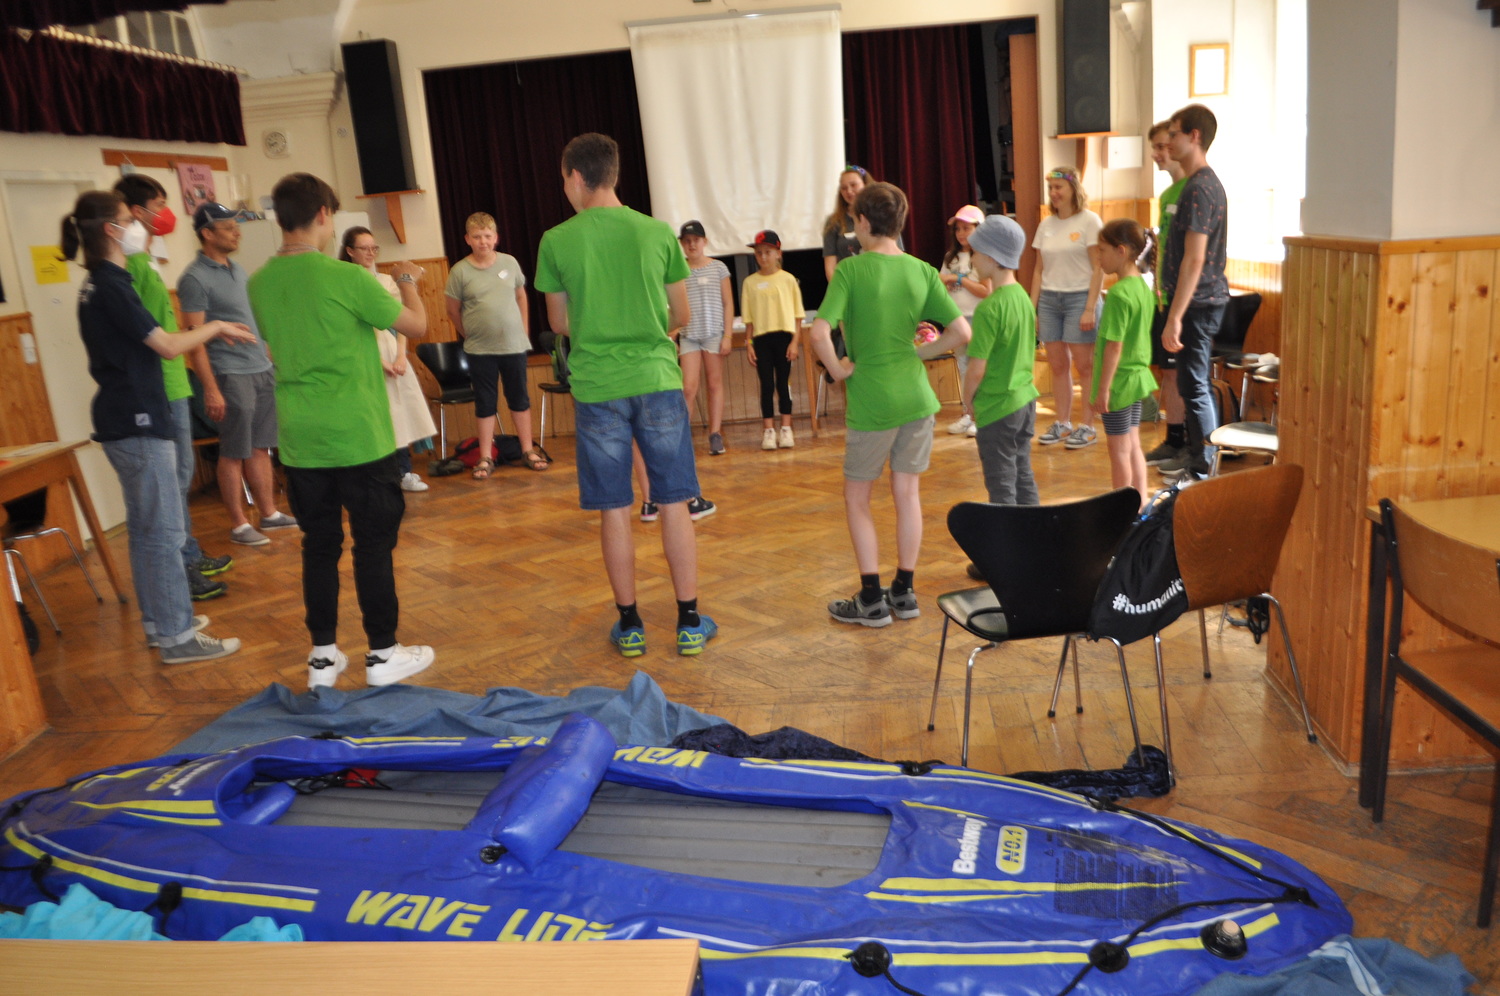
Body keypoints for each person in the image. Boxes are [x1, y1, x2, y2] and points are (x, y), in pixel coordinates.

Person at [247, 173, 434, 689]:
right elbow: (416, 326)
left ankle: (323, 658)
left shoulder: (259, 282)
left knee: (319, 545)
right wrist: (407, 282)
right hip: (358, 434)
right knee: (373, 544)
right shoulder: (347, 278)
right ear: (324, 215)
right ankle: (383, 653)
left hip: (300, 438)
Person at [534, 133, 716, 658]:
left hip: (598, 389)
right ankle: (688, 622)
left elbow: (558, 322)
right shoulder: (657, 232)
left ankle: (631, 626)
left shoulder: (556, 240)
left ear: (576, 177)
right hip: (656, 380)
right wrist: (647, 326)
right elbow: (682, 315)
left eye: (563, 179)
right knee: (675, 501)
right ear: (613, 174)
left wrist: (600, 324)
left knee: (614, 507)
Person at [61, 190, 254, 662]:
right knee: (164, 532)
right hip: (137, 421)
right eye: (128, 219)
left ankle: (160, 623)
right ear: (112, 230)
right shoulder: (110, 285)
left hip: (126, 419)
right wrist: (217, 327)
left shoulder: (101, 282)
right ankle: (177, 635)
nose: (139, 226)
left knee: (147, 530)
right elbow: (167, 346)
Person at [809, 181, 971, 627]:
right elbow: (961, 332)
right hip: (917, 400)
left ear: (862, 222)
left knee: (857, 498)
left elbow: (819, 333)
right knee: (907, 493)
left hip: (873, 403)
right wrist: (917, 354)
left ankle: (870, 599)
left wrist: (839, 370)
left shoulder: (850, 271)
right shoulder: (921, 270)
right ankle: (904, 591)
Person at [112, 176, 240, 600]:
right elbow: (152, 336)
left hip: (173, 384)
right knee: (173, 482)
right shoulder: (130, 266)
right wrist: (211, 330)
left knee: (181, 476)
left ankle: (188, 553)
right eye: (158, 205)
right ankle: (183, 570)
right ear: (135, 212)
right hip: (159, 388)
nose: (165, 214)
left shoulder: (145, 260)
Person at [178, 201, 300, 545]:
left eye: (237, 226)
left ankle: (269, 514)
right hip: (230, 374)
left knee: (261, 448)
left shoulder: (238, 269)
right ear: (207, 233)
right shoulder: (194, 278)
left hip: (261, 369)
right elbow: (194, 340)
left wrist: (269, 355)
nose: (237, 233)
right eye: (228, 228)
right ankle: (238, 524)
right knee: (233, 451)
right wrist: (211, 389)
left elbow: (250, 321)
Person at [444, 212, 545, 480]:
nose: (483, 241)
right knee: (485, 402)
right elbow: (452, 310)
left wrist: (524, 330)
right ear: (467, 239)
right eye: (477, 237)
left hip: (513, 346)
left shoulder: (509, 262)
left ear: (496, 238)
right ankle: (485, 456)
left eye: (487, 236)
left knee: (519, 398)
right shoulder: (459, 271)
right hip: (480, 350)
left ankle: (527, 450)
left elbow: (521, 296)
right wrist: (469, 334)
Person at [1159, 104, 1230, 483]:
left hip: (1198, 303)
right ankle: (1197, 456)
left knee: (1195, 384)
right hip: (1194, 301)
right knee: (1189, 382)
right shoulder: (1195, 184)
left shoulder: (1201, 187)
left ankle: (1205, 468)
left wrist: (1175, 316)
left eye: (1174, 134)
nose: (1168, 141)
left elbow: (1195, 258)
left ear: (1194, 136)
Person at [340, 226, 437, 493]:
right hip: (365, 355)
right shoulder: (346, 282)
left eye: (374, 248)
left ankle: (404, 470)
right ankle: (378, 476)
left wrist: (400, 355)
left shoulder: (385, 281)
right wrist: (377, 361)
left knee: (401, 412)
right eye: (364, 248)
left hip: (392, 351)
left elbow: (404, 321)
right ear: (350, 251)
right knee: (377, 416)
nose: (370, 253)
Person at [962, 215, 1039, 508]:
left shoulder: (989, 309)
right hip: (1024, 401)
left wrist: (968, 400)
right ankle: (1035, 530)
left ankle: (1007, 536)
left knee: (1001, 484)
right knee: (1022, 474)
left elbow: (976, 368)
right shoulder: (1023, 298)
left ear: (993, 258)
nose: (972, 260)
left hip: (997, 407)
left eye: (976, 252)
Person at [1029, 165, 1104, 450]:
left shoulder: (1089, 221)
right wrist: (1033, 307)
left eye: (1058, 187)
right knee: (1058, 364)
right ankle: (1062, 422)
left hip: (1079, 298)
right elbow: (1038, 270)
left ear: (1073, 188)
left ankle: (1088, 425)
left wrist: (1089, 307)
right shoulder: (1046, 225)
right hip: (1050, 300)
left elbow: (1098, 267)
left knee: (1084, 366)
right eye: (1050, 188)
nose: (1053, 192)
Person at [1090, 219, 1158, 508]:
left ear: (1121, 251)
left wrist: (1103, 389)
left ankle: (1122, 511)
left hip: (1119, 382)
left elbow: (1114, 346)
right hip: (1136, 378)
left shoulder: (1118, 293)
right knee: (1132, 445)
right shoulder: (1142, 286)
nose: (1098, 257)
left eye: (1102, 250)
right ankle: (1140, 504)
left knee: (1118, 450)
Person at [1144, 121, 1190, 466]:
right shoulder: (1167, 195)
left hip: (1184, 303)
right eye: (1155, 148)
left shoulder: (1194, 189)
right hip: (1162, 299)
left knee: (1186, 375)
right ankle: (1174, 440)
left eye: (1162, 146)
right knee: (1169, 373)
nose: (1158, 154)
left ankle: (1194, 446)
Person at [740, 230, 803, 451]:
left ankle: (786, 428)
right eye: (759, 253)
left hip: (784, 337)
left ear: (778, 253)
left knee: (783, 384)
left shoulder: (788, 279)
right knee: (766, 385)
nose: (763, 257)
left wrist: (794, 342)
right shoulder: (750, 282)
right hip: (761, 339)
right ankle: (768, 430)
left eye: (768, 252)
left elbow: (798, 316)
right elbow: (748, 319)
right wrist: (749, 344)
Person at [676, 220, 733, 457]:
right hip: (689, 336)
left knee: (714, 384)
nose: (692, 245)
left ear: (705, 242)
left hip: (713, 334)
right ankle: (682, 438)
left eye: (696, 240)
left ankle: (715, 434)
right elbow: (674, 305)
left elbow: (728, 303)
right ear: (682, 244)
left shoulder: (718, 268)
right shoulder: (678, 270)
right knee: (688, 387)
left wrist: (727, 335)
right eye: (687, 241)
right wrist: (674, 330)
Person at [940, 204, 996, 437]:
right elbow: (941, 283)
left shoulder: (982, 257)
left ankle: (981, 416)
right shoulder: (951, 257)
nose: (961, 233)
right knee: (963, 368)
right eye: (958, 229)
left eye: (967, 228)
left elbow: (986, 290)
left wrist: (959, 280)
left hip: (978, 319)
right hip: (958, 319)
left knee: (978, 368)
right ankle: (968, 413)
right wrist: (947, 282)